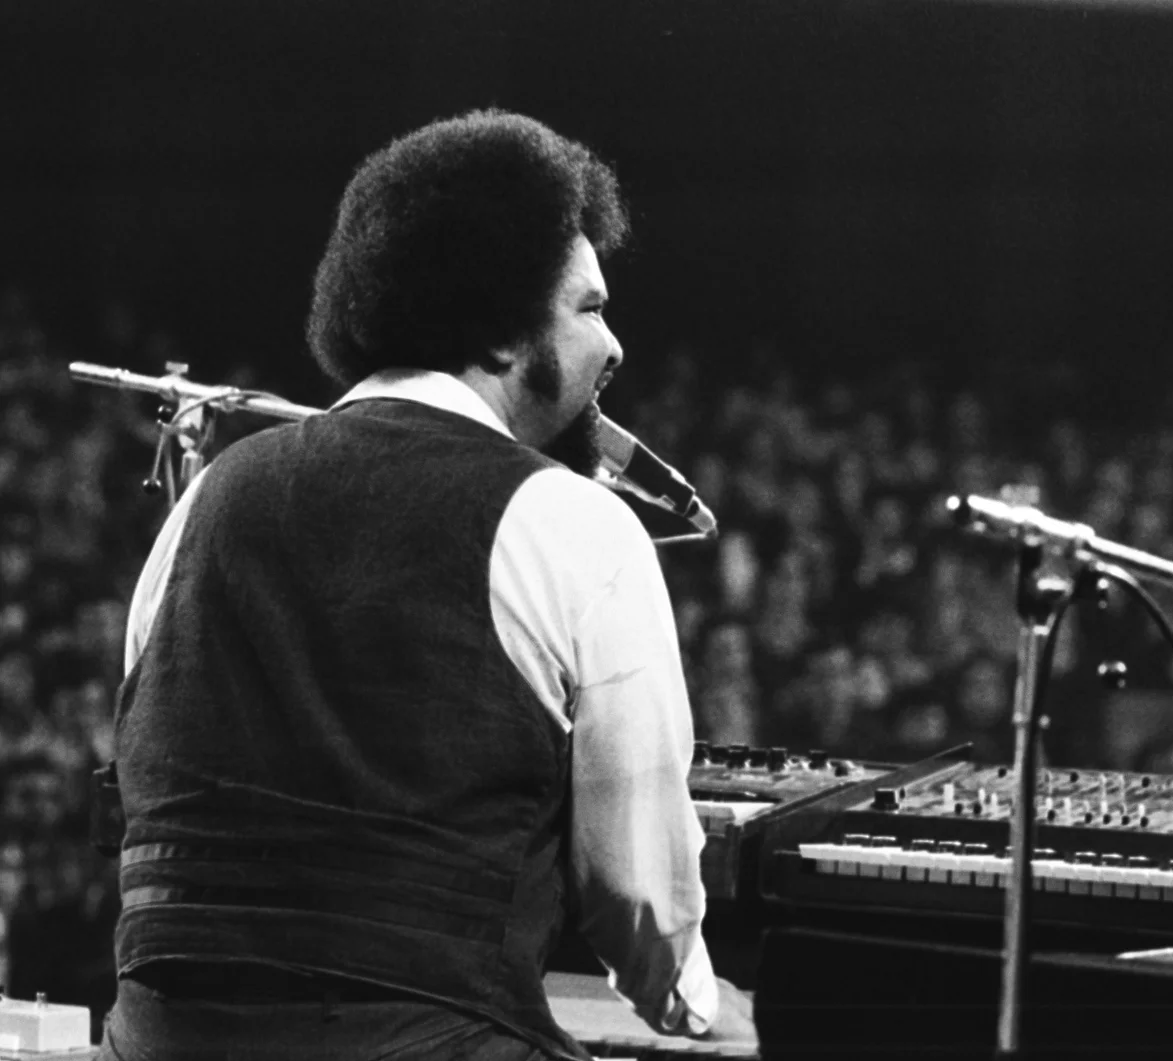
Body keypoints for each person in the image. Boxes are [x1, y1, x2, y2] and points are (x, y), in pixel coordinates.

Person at [99, 110, 754, 1060]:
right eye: (589, 309)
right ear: (500, 331)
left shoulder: (206, 499)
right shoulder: (574, 523)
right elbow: (635, 888)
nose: (614, 347)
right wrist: (697, 1005)